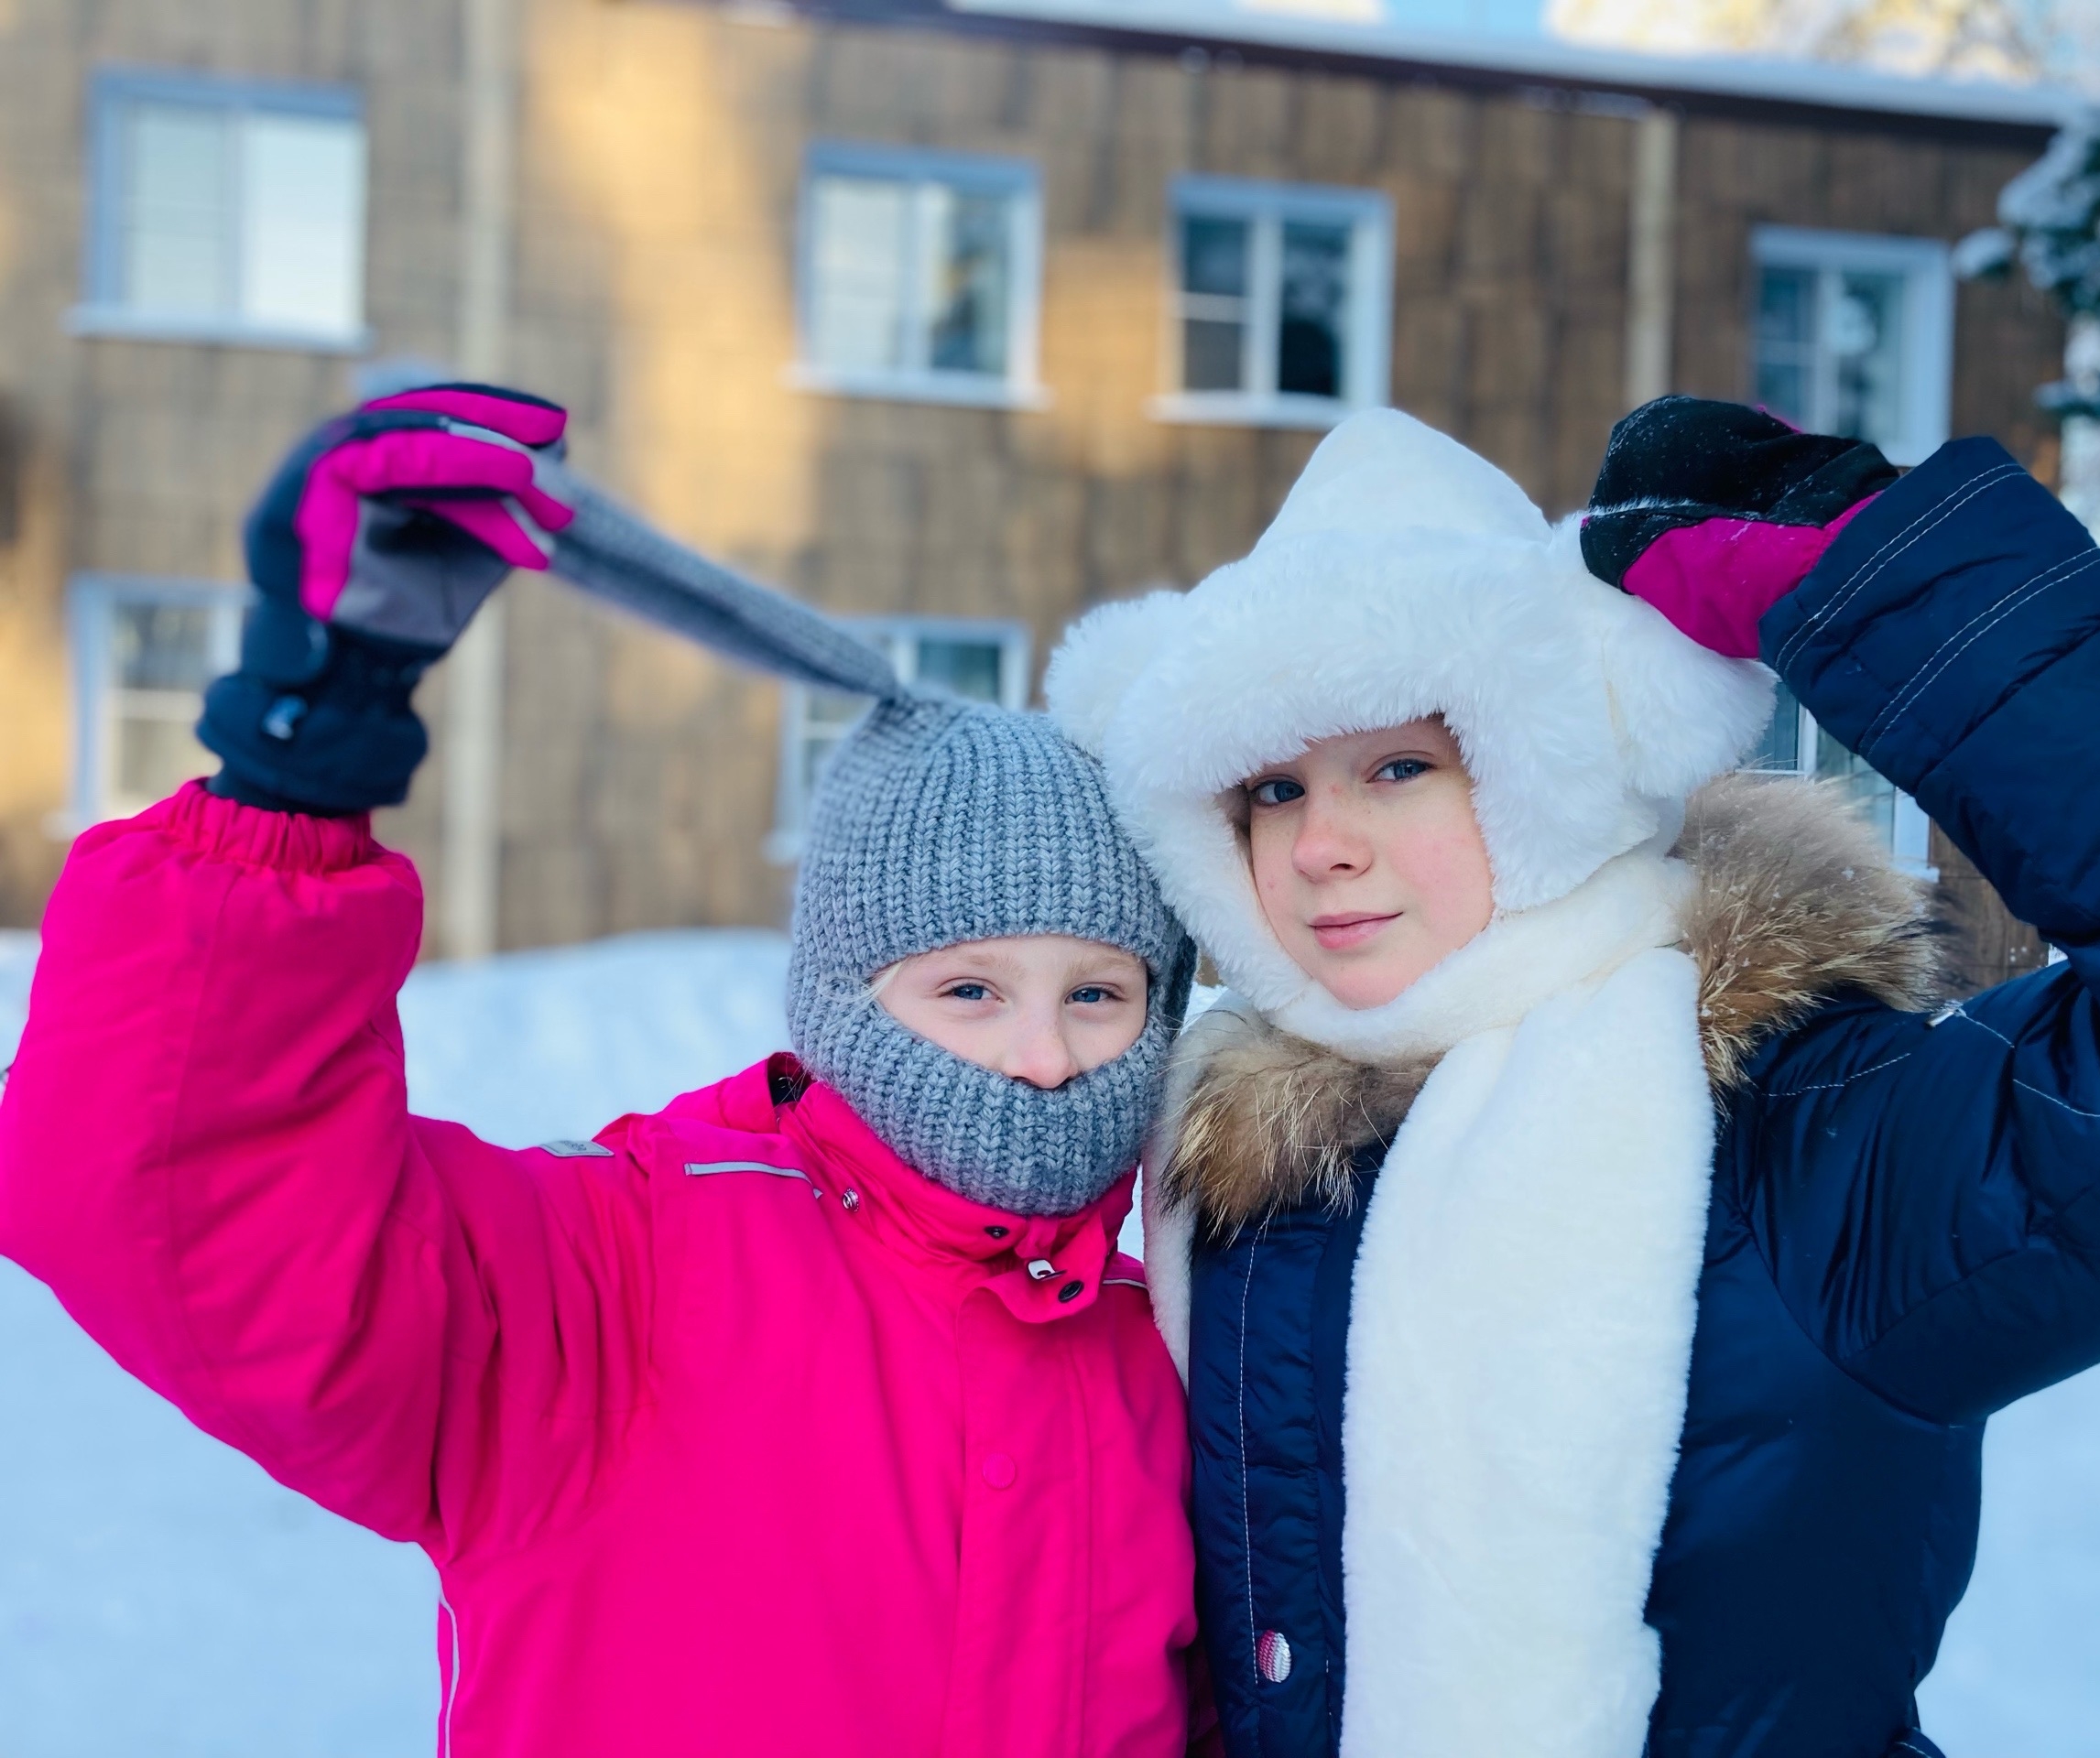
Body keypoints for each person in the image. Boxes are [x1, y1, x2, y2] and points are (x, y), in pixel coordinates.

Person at [1043, 397, 2100, 1758]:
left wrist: (1894, 589)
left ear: (1539, 770)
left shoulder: (1811, 1141)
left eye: (1400, 767)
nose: (1323, 846)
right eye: (1274, 791)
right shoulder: (1222, 1172)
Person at [0, 385, 1210, 1756]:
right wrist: (295, 772)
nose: (1044, 1056)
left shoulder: (1158, 1338)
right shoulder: (623, 1267)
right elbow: (182, 1201)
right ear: (840, 992)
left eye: (1099, 995)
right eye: (969, 991)